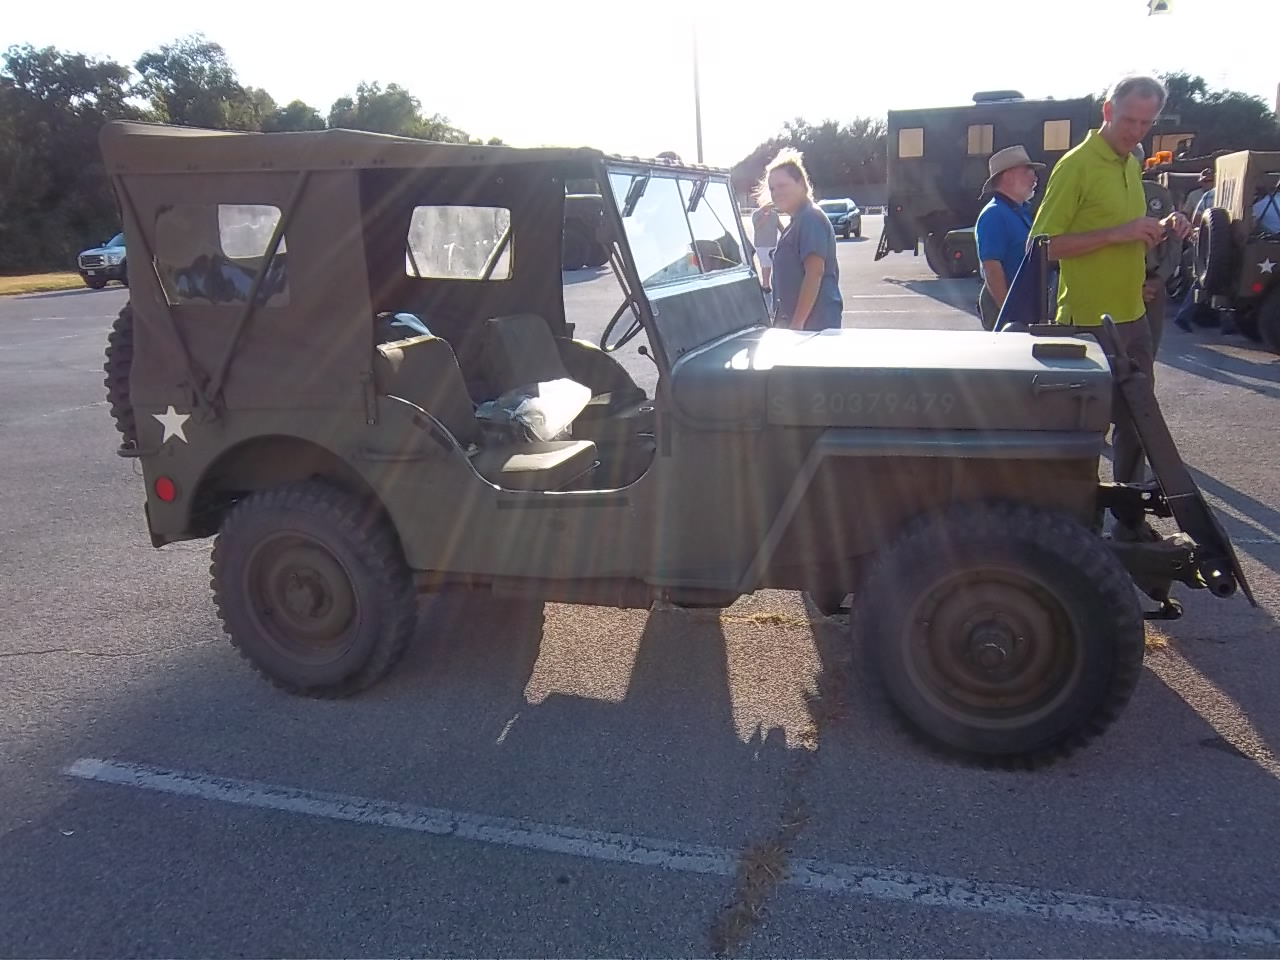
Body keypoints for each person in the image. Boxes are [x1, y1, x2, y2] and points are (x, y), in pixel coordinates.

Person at [1029, 74, 1193, 535]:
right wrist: (1117, 234)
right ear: (1107, 111)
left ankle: (1128, 520)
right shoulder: (1077, 165)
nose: (1135, 131)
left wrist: (1163, 227)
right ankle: (1071, 529)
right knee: (1083, 433)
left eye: (1146, 122)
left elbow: (1125, 234)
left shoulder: (1130, 163)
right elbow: (1041, 246)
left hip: (1133, 317)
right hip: (1087, 325)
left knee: (1137, 426)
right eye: (1128, 120)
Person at [764, 147, 843, 331]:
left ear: (800, 183)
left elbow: (814, 272)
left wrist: (797, 325)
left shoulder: (810, 218)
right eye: (772, 188)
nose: (776, 193)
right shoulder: (797, 221)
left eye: (782, 186)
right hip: (803, 325)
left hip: (813, 326)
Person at [974, 145, 1044, 329]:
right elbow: (991, 268)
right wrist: (1009, 316)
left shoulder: (1017, 211)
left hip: (1022, 308)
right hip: (1007, 310)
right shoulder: (994, 214)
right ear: (1008, 177)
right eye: (1028, 171)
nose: (1035, 178)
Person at [750, 194, 783, 293]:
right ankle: (765, 285)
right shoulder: (756, 214)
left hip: (773, 244)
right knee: (765, 265)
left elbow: (780, 227)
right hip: (761, 244)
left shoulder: (774, 215)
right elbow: (756, 227)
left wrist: (787, 234)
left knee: (772, 265)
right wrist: (764, 217)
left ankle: (769, 285)